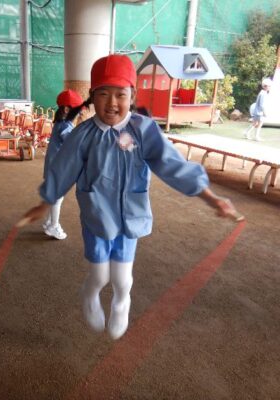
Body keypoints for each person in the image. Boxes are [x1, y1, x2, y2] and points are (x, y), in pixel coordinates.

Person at [21, 54, 243, 340]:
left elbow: (172, 165)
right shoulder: (83, 135)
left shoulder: (142, 130)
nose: (112, 103)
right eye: (103, 94)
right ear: (92, 97)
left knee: (123, 279)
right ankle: (89, 293)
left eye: (120, 94)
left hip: (131, 217)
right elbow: (63, 169)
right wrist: (46, 201)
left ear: (132, 95)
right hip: (97, 217)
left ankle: (121, 303)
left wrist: (212, 198)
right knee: (100, 275)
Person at [42, 89, 85, 240]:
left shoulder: (60, 123)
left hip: (53, 167)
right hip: (58, 169)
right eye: (78, 110)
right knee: (57, 199)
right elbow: (72, 143)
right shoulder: (65, 126)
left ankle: (48, 223)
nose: (80, 113)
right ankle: (54, 226)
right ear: (67, 109)